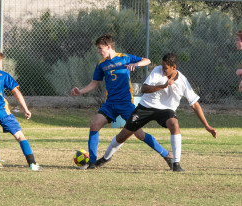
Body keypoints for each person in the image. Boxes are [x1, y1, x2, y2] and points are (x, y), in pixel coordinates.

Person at [96, 53, 217, 172]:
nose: (163, 70)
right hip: (146, 107)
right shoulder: (157, 71)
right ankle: (105, 157)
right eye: (162, 67)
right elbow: (144, 89)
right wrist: (164, 85)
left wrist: (207, 126)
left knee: (174, 124)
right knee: (123, 135)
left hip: (166, 110)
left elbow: (195, 104)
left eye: (166, 68)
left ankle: (176, 163)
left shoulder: (183, 81)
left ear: (174, 67)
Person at [71, 34, 173, 170]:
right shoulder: (101, 64)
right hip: (110, 104)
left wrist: (135, 64)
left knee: (139, 134)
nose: (98, 52)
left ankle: (167, 155)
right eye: (98, 49)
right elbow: (95, 83)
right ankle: (92, 162)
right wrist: (81, 91)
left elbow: (147, 60)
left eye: (100, 48)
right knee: (94, 125)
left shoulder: (124, 58)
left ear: (109, 47)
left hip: (126, 104)